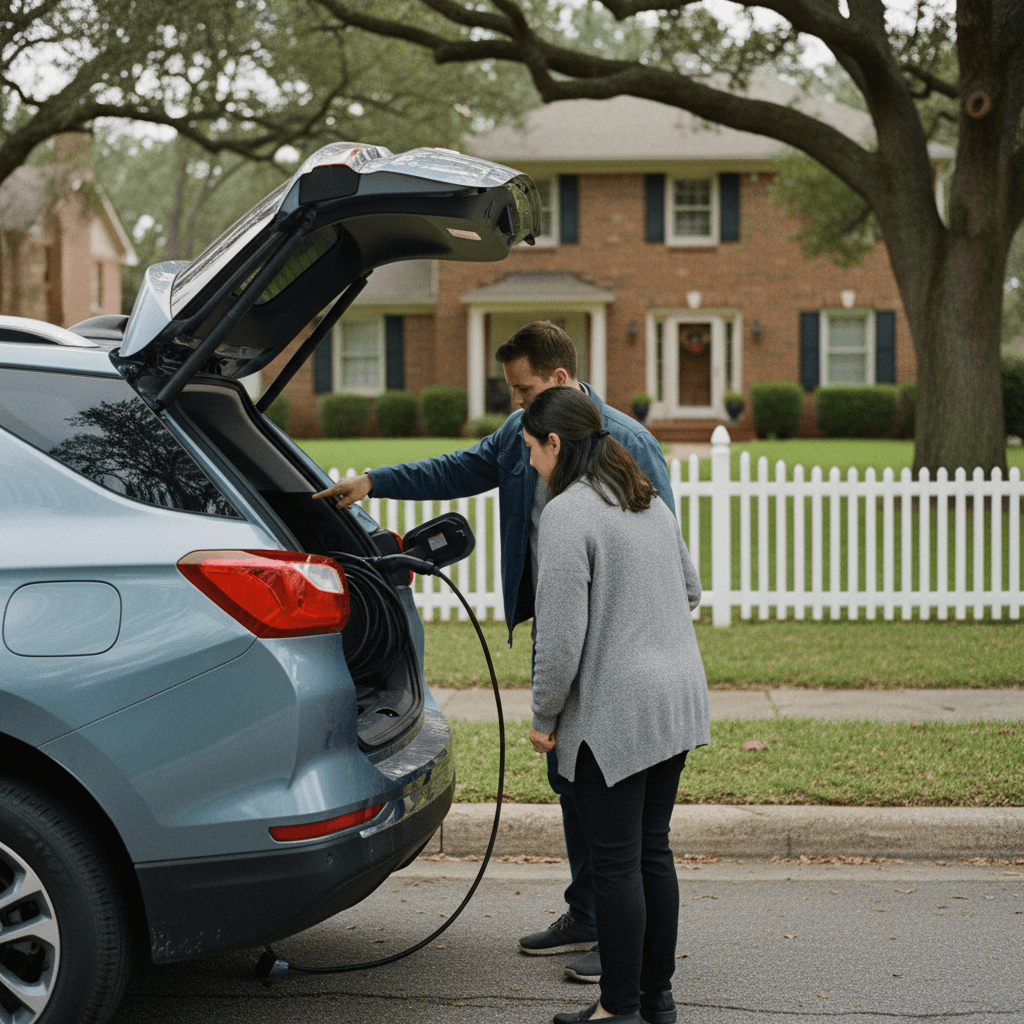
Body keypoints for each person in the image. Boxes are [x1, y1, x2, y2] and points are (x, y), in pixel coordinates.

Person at [313, 321, 675, 981]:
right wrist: (374, 482)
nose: (514, 409)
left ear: (560, 382)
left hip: (617, 648)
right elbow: (461, 467)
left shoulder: (632, 445)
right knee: (570, 781)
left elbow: (669, 565)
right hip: (558, 629)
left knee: (614, 795)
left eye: (524, 390)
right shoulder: (519, 433)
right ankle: (590, 911)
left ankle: (624, 944)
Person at [521, 385, 709, 1024]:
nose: (529, 467)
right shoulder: (644, 498)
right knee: (652, 850)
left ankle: (619, 1010)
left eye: (532, 452)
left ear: (556, 444)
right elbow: (690, 588)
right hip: (676, 701)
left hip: (616, 713)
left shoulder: (570, 513)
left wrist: (545, 718)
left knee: (617, 864)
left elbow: (561, 639)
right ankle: (656, 1000)